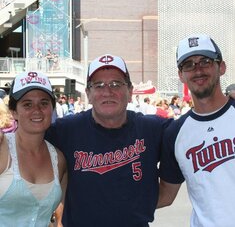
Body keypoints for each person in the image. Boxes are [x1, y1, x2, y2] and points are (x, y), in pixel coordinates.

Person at [45, 54, 171, 227]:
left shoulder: (154, 129)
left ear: (130, 92)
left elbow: (193, 131)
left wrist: (135, 207)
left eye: (116, 84)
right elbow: (25, 142)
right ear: (88, 93)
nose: (107, 92)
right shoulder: (65, 130)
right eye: (98, 85)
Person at [158, 34, 235, 227]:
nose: (198, 70)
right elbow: (166, 194)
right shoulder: (175, 133)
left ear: (221, 67)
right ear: (181, 75)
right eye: (188, 64)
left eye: (205, 61)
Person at [0, 71, 67, 226]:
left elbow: (60, 220)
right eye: (27, 104)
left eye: (44, 103)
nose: (37, 110)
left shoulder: (58, 159)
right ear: (14, 111)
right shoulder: (3, 148)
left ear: (52, 109)